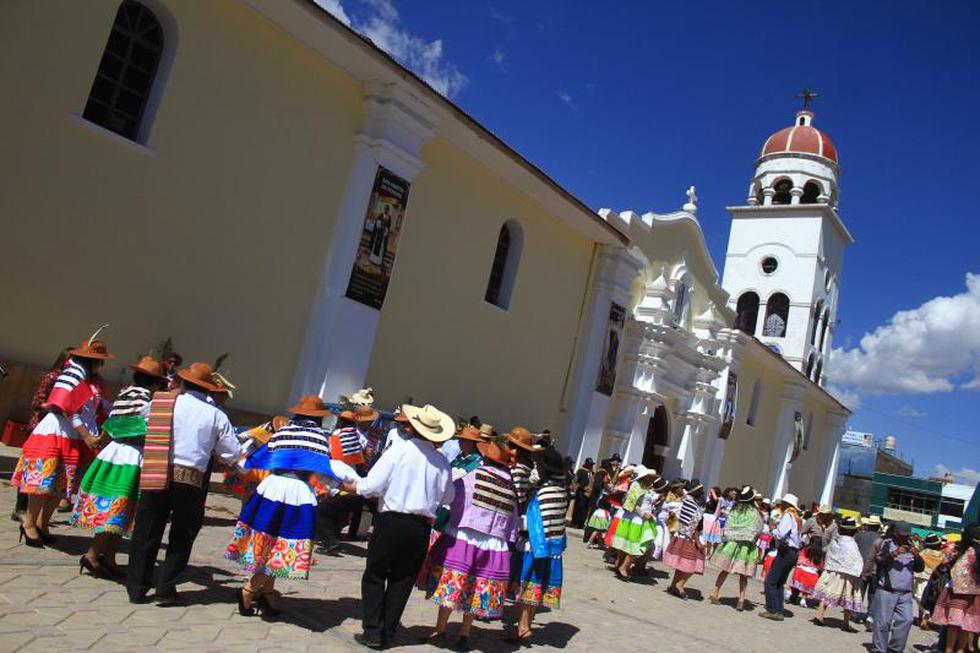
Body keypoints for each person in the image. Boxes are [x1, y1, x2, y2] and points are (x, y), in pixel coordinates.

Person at [225, 395, 359, 618]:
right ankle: (248, 590)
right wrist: (341, 486)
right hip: (297, 494)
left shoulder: (283, 432)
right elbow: (322, 469)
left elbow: (262, 456)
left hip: (271, 489)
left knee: (268, 541)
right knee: (282, 544)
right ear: (318, 418)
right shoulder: (318, 437)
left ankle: (266, 591)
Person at [125, 362, 240, 605]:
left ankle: (136, 587)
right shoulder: (216, 415)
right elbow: (231, 452)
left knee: (146, 529)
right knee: (182, 533)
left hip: (156, 469)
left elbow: (140, 420)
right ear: (209, 389)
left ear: (183, 383)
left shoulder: (163, 402)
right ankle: (166, 588)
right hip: (191, 479)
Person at [354, 404, 455, 650]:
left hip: (391, 522)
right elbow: (448, 497)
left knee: (376, 575)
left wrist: (354, 485)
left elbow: (371, 486)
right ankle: (388, 631)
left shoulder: (398, 451)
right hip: (420, 527)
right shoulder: (442, 462)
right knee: (403, 579)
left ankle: (373, 631)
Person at [72, 356, 168, 578]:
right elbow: (147, 429)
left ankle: (109, 556)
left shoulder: (125, 393)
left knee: (119, 507)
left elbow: (112, 421)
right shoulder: (148, 401)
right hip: (132, 456)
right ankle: (94, 554)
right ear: (154, 383)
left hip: (113, 451)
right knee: (119, 507)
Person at [13, 334, 112, 547]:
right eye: (100, 362)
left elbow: (92, 408)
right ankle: (29, 524)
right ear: (93, 362)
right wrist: (87, 435)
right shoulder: (72, 375)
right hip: (56, 431)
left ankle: (42, 523)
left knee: (60, 484)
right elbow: (68, 408)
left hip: (72, 435)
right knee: (43, 481)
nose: (101, 367)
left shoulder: (89, 381)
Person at [420, 441, 518, 651]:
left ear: (487, 459)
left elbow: (455, 498)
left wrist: (447, 522)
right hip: (493, 543)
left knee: (453, 583)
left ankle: (440, 630)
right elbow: (512, 521)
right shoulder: (510, 488)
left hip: (465, 536)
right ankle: (465, 634)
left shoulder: (475, 476)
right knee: (477, 586)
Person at [508, 447, 568, 646]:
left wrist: (519, 527)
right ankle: (525, 625)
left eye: (537, 466)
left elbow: (537, 523)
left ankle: (523, 627)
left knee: (529, 586)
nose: (535, 469)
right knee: (535, 587)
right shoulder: (560, 489)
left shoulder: (545, 492)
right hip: (553, 547)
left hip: (538, 547)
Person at [12, 346, 73, 521]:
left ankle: (36, 514)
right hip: (40, 427)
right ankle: (21, 508)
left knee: (45, 472)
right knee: (30, 469)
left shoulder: (71, 381)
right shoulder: (52, 377)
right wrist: (53, 406)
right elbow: (37, 401)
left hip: (57, 430)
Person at [869, 520, 925, 653]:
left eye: (907, 535)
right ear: (895, 533)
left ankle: (895, 649)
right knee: (883, 623)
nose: (905, 537)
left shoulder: (911, 546)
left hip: (905, 592)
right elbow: (879, 561)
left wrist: (917, 556)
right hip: (887, 590)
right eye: (902, 535)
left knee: (906, 620)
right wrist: (895, 554)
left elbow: (920, 568)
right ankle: (879, 649)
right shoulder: (886, 544)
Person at [708, 485, 764, 611]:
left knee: (725, 569)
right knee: (743, 574)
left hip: (732, 542)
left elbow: (729, 524)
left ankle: (715, 592)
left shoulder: (735, 509)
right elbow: (757, 527)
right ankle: (741, 599)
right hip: (746, 545)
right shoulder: (754, 512)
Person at [930, 523, 979, 653]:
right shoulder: (971, 552)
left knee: (955, 625)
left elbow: (946, 567)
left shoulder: (960, 551)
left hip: (957, 592)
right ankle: (958, 650)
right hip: (972, 593)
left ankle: (950, 649)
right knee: (964, 625)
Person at [812, 516, 865, 632]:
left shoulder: (836, 540)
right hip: (848, 574)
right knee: (848, 597)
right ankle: (845, 623)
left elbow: (828, 551)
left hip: (832, 570)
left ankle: (819, 615)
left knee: (828, 592)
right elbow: (856, 559)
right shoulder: (851, 544)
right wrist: (859, 571)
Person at [608, 467, 660, 581]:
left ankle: (620, 565)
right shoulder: (636, 485)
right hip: (635, 519)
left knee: (628, 544)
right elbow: (631, 502)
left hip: (639, 519)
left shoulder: (646, 487)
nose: (652, 480)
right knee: (634, 545)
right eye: (651, 477)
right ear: (645, 477)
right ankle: (623, 567)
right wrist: (643, 514)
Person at [759, 493, 803, 621]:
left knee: (771, 581)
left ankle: (773, 610)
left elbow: (780, 533)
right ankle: (778, 609)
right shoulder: (796, 517)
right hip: (793, 552)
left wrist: (772, 528)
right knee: (779, 582)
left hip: (786, 551)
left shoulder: (788, 516)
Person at [664, 479, 707, 600]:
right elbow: (694, 525)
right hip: (690, 537)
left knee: (681, 563)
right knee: (693, 563)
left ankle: (673, 585)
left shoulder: (689, 501)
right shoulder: (692, 504)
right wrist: (698, 542)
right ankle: (679, 584)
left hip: (683, 535)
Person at [583, 459, 613, 547]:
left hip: (596, 498)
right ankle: (588, 537)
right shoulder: (602, 473)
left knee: (595, 520)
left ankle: (594, 539)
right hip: (597, 499)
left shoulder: (600, 472)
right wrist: (605, 486)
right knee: (594, 519)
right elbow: (597, 485)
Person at [788, 536, 825, 607]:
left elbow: (800, 558)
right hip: (812, 574)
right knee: (806, 587)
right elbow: (820, 565)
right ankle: (803, 599)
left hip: (801, 570)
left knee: (797, 585)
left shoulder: (805, 549)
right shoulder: (820, 553)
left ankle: (792, 597)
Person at [570, 458, 594, 528]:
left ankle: (581, 523)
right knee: (579, 508)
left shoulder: (591, 473)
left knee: (585, 509)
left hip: (588, 494)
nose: (591, 466)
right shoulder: (581, 471)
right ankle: (575, 522)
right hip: (581, 492)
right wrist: (583, 487)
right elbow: (576, 481)